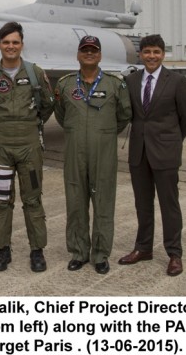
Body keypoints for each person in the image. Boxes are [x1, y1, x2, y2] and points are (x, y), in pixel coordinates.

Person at [0, 21, 55, 272]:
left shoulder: (35, 73)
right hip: (1, 147)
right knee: (1, 200)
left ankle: (37, 251)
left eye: (15, 42)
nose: (11, 46)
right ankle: (3, 250)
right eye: (6, 42)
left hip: (30, 145)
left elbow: (48, 103)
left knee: (32, 200)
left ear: (21, 44)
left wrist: (33, 123)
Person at [118, 34, 186, 276]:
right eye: (147, 52)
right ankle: (143, 248)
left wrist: (172, 140)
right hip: (139, 153)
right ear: (140, 54)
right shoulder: (130, 80)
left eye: (156, 52)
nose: (152, 56)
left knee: (169, 204)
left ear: (163, 55)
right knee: (142, 204)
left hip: (166, 153)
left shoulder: (176, 81)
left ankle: (174, 253)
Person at [54, 36, 131, 274]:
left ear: (100, 55)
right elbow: (60, 115)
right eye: (84, 50)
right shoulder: (65, 85)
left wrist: (103, 134)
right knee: (75, 203)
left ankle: (100, 254)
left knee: (103, 203)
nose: (89, 53)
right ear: (78, 54)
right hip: (75, 154)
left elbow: (124, 114)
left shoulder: (114, 84)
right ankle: (78, 252)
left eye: (93, 50)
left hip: (104, 155)